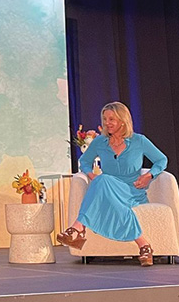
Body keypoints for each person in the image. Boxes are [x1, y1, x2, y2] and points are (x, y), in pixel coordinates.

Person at [56, 101, 168, 266]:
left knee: (103, 180)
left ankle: (78, 227)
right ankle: (144, 245)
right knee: (103, 180)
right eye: (105, 119)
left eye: (111, 119)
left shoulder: (139, 141)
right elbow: (84, 161)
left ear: (123, 121)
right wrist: (90, 175)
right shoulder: (100, 142)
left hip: (132, 191)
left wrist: (149, 176)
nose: (107, 123)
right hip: (108, 190)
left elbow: (161, 160)